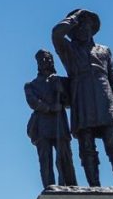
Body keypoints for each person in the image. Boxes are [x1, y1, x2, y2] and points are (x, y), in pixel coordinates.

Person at [51, 8, 113, 188]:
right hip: (81, 97)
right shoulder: (69, 50)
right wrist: (73, 18)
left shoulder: (104, 50)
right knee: (86, 147)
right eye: (79, 26)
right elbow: (56, 34)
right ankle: (94, 186)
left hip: (105, 97)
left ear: (92, 28)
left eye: (86, 25)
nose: (83, 29)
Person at [25, 48, 76, 187]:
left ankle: (70, 185)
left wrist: (62, 91)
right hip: (42, 126)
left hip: (60, 124)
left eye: (47, 58)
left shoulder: (60, 81)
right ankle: (49, 186)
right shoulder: (31, 85)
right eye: (41, 59)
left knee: (65, 157)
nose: (45, 61)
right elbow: (33, 102)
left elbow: (69, 102)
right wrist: (50, 108)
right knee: (45, 159)